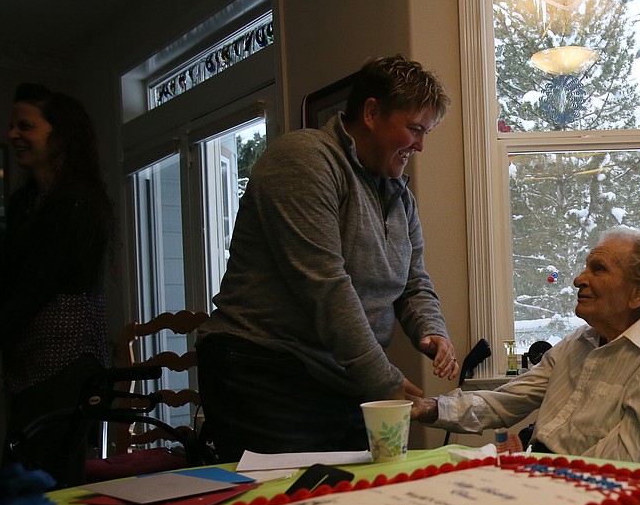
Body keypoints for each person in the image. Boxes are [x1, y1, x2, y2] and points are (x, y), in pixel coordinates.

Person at [196, 55, 459, 461]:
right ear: (371, 112)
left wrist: (431, 330)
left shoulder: (398, 196)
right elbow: (325, 286)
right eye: (414, 129)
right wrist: (383, 380)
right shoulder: (304, 159)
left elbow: (413, 282)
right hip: (264, 370)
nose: (421, 145)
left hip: (341, 375)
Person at [412, 226, 640, 463]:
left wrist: (544, 476)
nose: (578, 279)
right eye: (586, 267)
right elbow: (504, 402)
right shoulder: (578, 342)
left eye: (598, 269)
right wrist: (428, 408)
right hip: (537, 470)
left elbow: (626, 454)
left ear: (639, 292)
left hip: (583, 490)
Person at [0, 83, 113, 486]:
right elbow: (1, 280)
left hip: (68, 365)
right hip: (29, 365)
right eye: (12, 126)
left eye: (25, 126)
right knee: (27, 479)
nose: (13, 135)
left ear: (59, 135)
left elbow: (29, 292)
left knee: (35, 484)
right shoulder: (24, 203)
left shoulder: (78, 204)